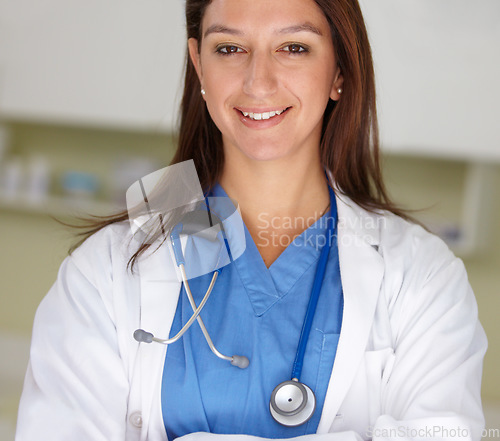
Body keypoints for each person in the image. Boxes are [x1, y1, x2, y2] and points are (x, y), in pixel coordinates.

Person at [16, 0, 487, 440]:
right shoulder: (105, 270)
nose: (258, 82)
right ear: (199, 65)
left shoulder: (422, 276)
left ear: (339, 71)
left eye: (294, 47)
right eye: (229, 48)